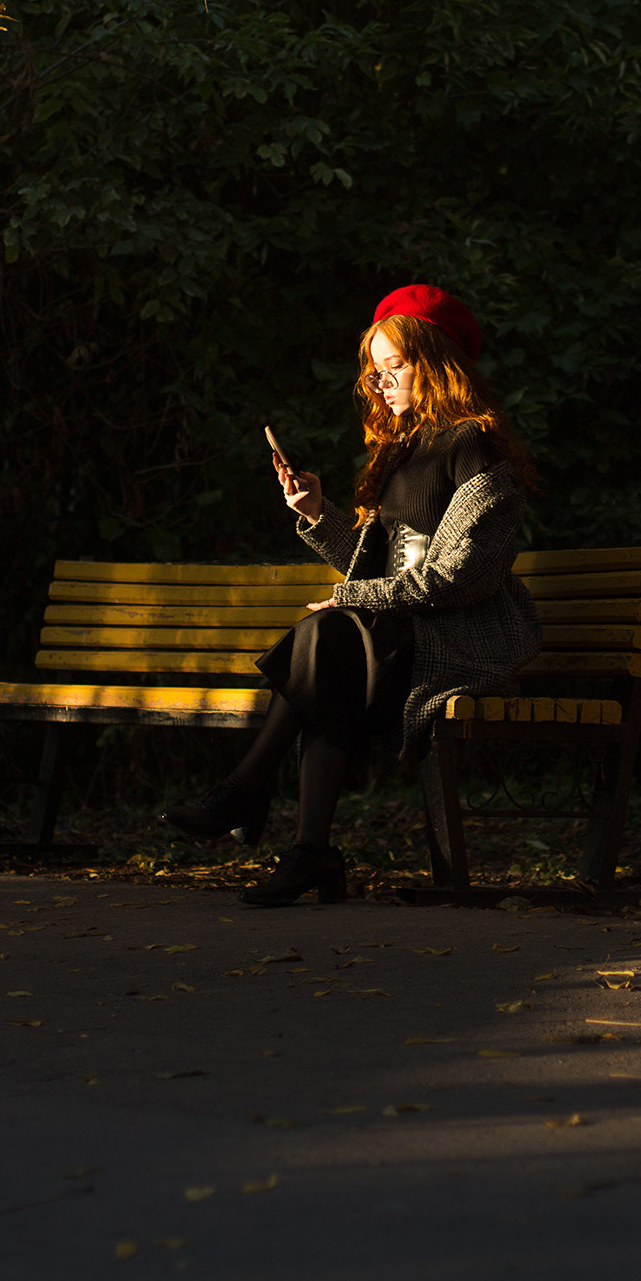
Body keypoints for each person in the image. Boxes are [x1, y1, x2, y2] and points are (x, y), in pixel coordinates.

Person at [161, 283, 542, 907]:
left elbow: (461, 577)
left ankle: (251, 793)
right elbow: (377, 565)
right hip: (399, 637)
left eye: (394, 367)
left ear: (438, 366)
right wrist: (318, 513)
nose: (379, 383)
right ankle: (307, 848)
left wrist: (354, 599)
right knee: (328, 653)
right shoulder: (400, 451)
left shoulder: (474, 446)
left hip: (456, 642)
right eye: (374, 370)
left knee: (326, 640)